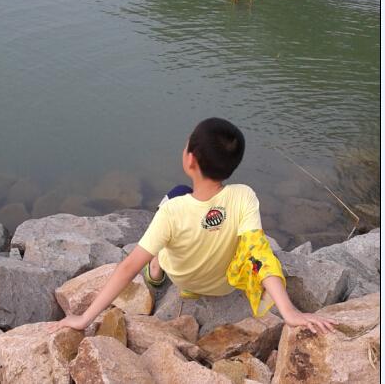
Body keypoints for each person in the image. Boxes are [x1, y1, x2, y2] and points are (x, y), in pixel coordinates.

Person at [48, 117, 338, 335]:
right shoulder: (244, 196)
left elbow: (127, 268)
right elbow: (259, 254)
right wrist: (289, 311)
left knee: (176, 194)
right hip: (223, 285)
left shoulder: (172, 211)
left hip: (185, 281)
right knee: (250, 241)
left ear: (190, 159)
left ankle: (157, 269)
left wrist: (84, 318)